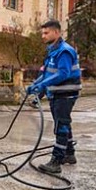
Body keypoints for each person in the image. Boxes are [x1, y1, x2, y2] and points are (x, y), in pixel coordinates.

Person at [26, 20, 81, 174]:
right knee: (63, 122)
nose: (43, 36)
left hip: (66, 93)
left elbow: (63, 73)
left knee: (61, 125)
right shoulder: (53, 51)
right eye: (42, 33)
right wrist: (35, 85)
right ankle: (69, 155)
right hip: (56, 93)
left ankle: (56, 161)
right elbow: (47, 73)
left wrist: (43, 85)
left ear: (56, 32)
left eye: (46, 33)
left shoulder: (64, 51)